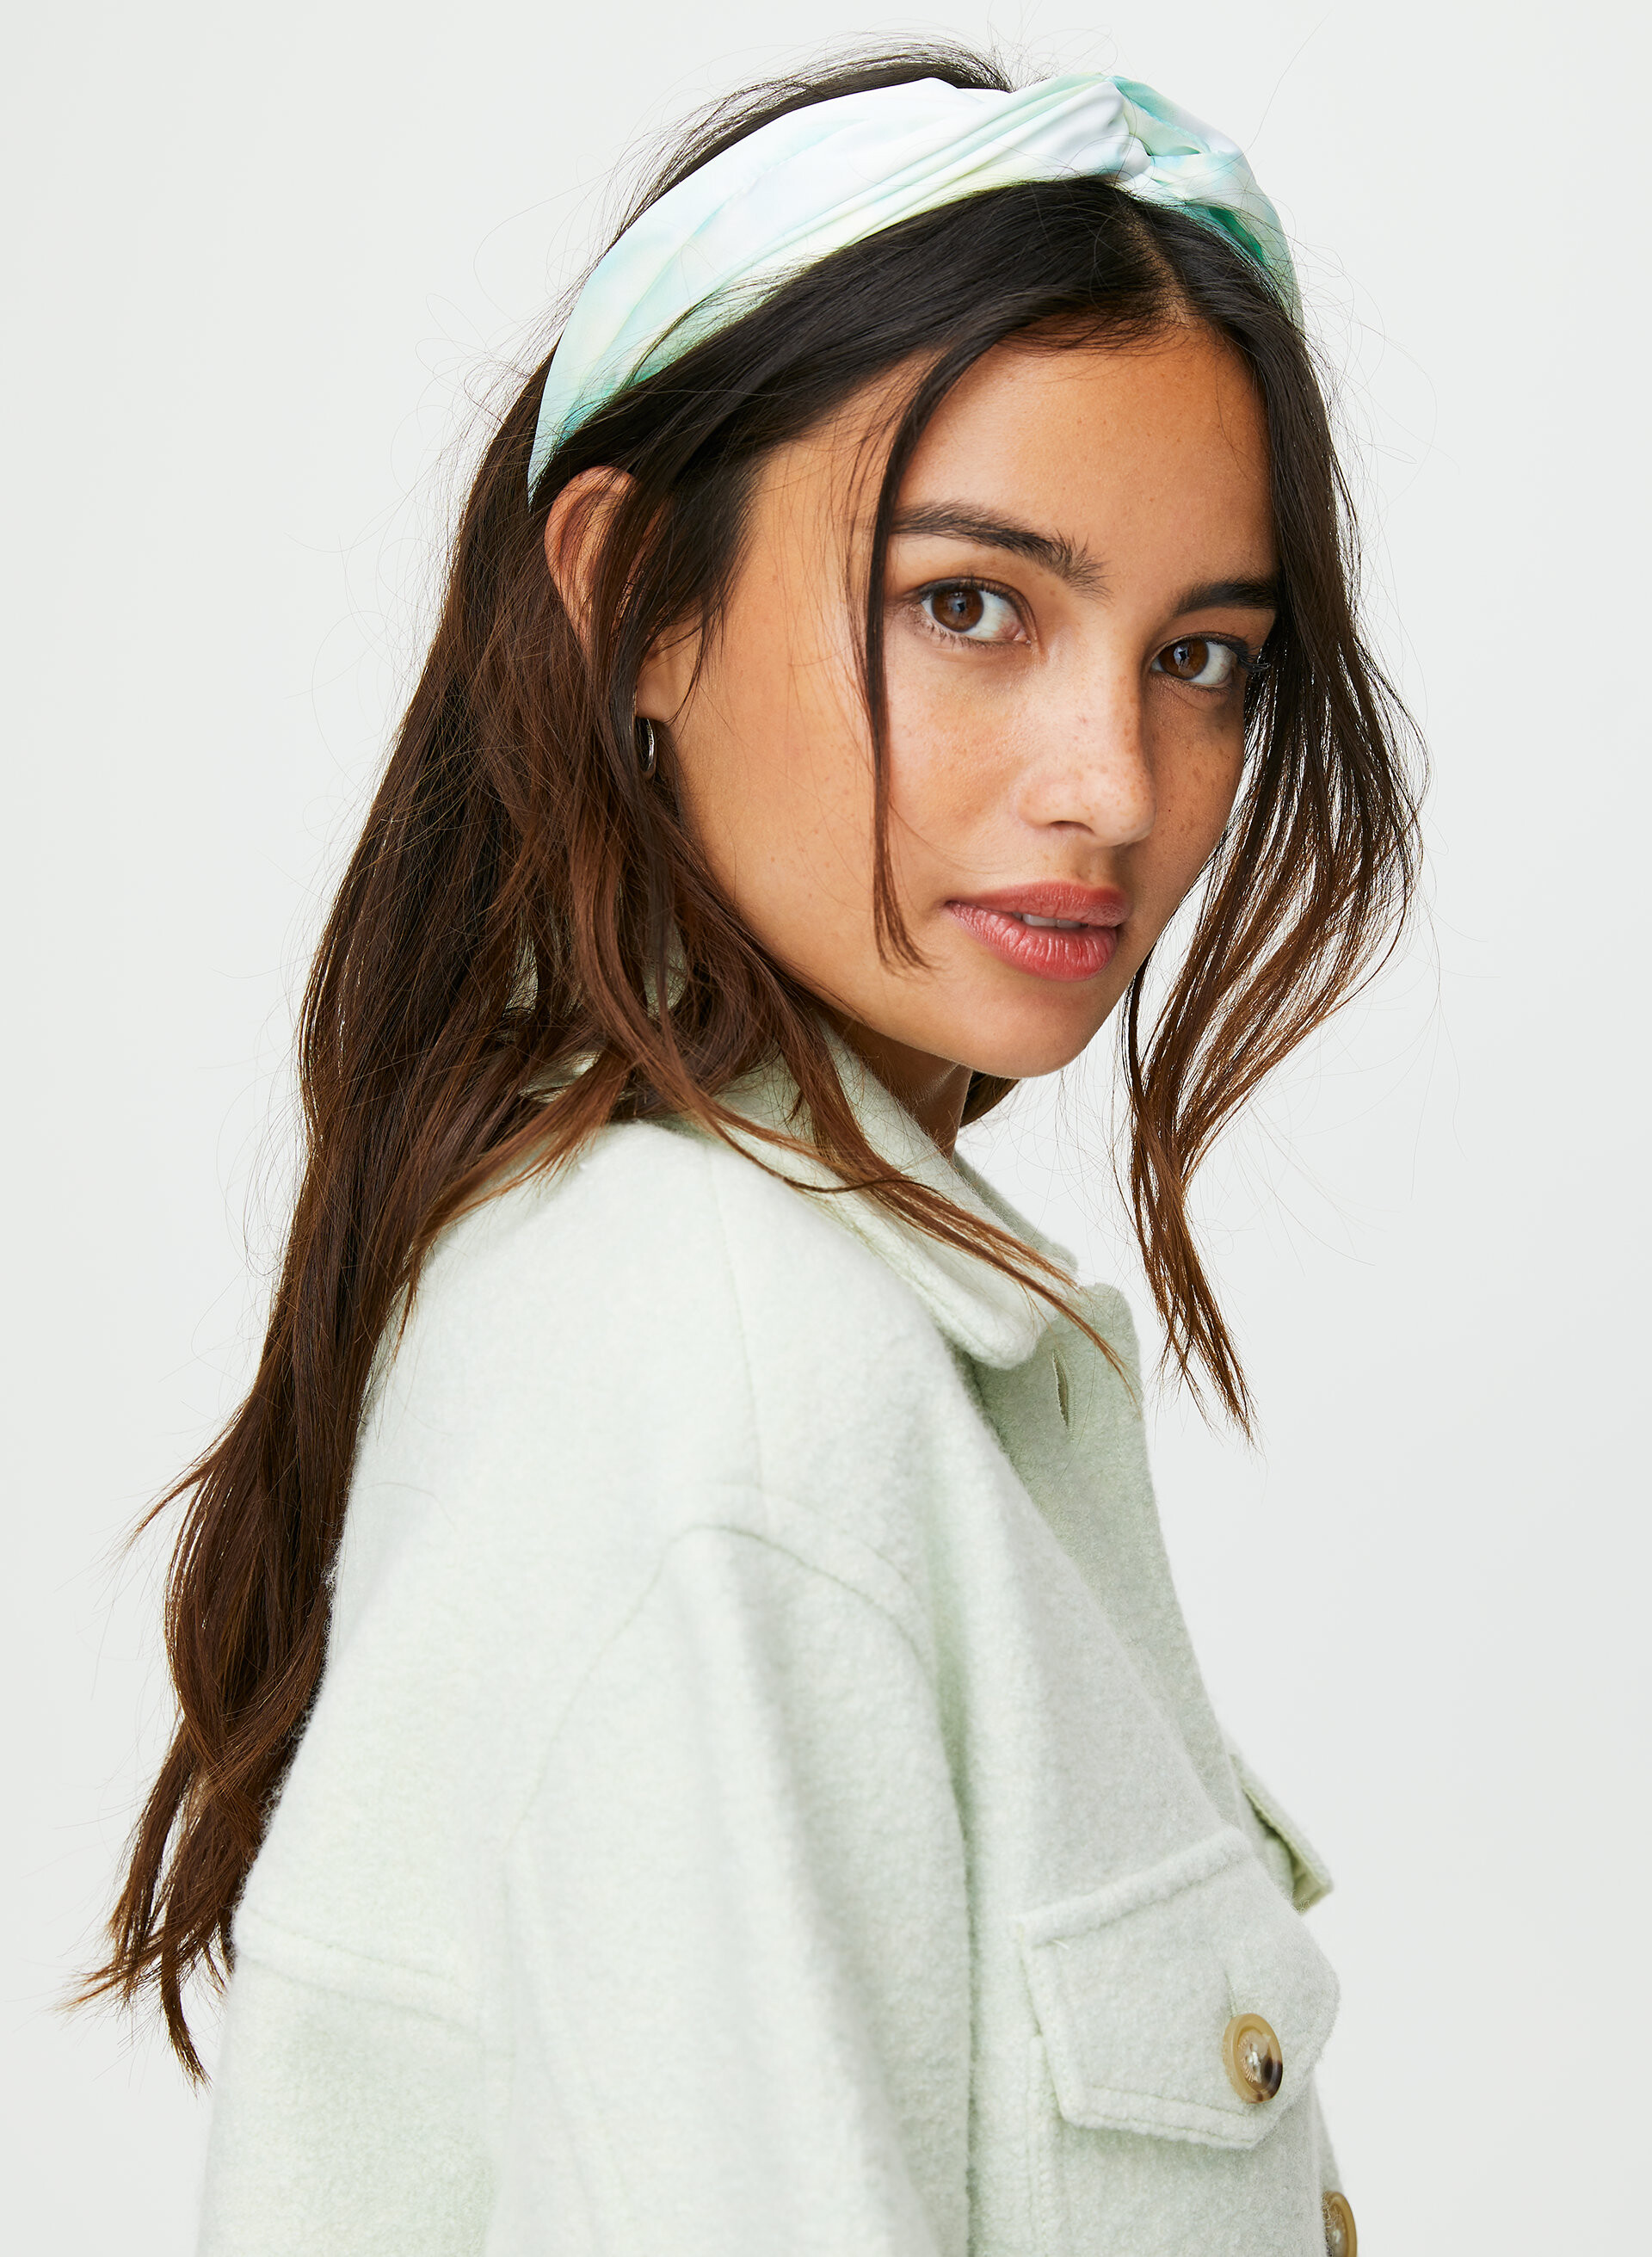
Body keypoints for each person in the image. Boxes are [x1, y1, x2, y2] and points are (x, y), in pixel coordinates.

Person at [86, 43, 1415, 2256]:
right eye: (971, 605)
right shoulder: (734, 1381)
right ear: (635, 596)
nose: (1114, 780)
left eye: (1202, 656)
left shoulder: (674, 1298)